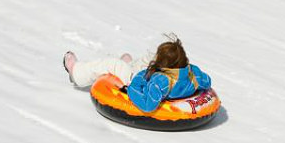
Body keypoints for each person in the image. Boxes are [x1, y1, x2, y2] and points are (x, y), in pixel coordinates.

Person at [62, 35, 211, 113]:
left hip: (136, 80)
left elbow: (147, 104)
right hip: (157, 75)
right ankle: (131, 65)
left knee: (112, 64)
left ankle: (77, 73)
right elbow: (207, 81)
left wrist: (133, 88)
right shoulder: (194, 73)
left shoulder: (161, 82)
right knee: (143, 62)